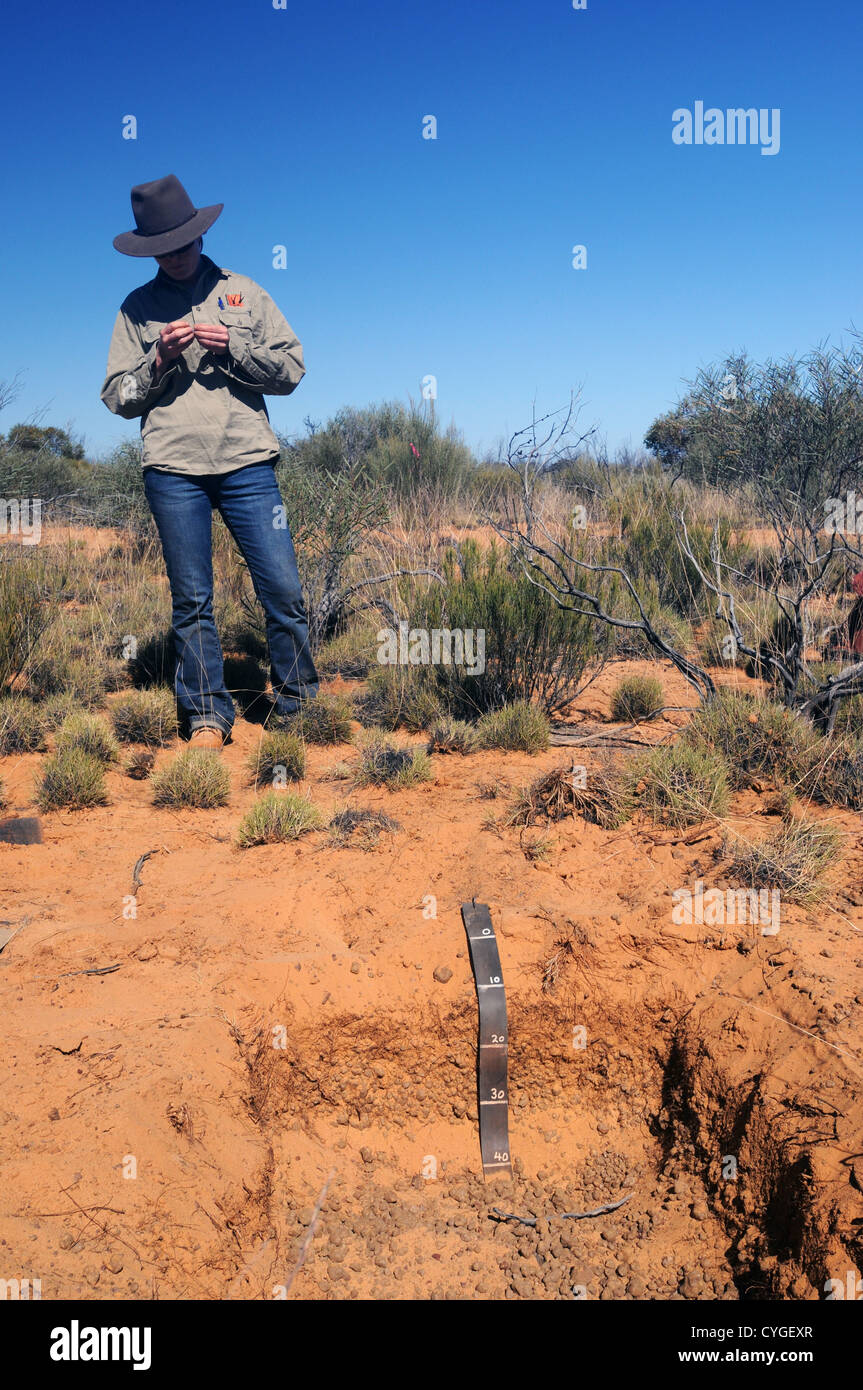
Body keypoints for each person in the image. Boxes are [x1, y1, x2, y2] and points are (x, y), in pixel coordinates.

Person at [101, 174, 318, 748]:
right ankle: (205, 714)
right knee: (191, 599)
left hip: (247, 463)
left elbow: (293, 370)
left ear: (200, 236)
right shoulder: (136, 309)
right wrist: (157, 360)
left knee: (282, 586)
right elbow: (116, 398)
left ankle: (298, 705)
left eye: (184, 244)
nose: (176, 257)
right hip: (173, 471)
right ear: (149, 251)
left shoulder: (243, 292)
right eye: (162, 249)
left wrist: (234, 345)